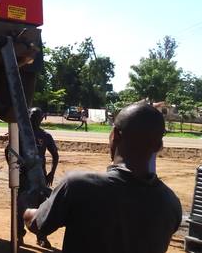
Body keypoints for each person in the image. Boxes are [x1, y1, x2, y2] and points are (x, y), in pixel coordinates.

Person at [24, 103, 182, 253]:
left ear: (115, 135)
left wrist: (27, 208)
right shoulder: (171, 204)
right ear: (159, 145)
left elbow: (36, 223)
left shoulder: (78, 186)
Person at [18, 107, 59, 248]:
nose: (34, 118)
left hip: (40, 178)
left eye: (37, 116)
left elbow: (55, 155)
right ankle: (19, 235)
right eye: (32, 115)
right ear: (28, 116)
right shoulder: (21, 134)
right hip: (23, 177)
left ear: (42, 118)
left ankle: (41, 237)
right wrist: (14, 168)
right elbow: (8, 150)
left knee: (41, 208)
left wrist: (52, 173)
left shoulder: (45, 136)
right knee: (20, 207)